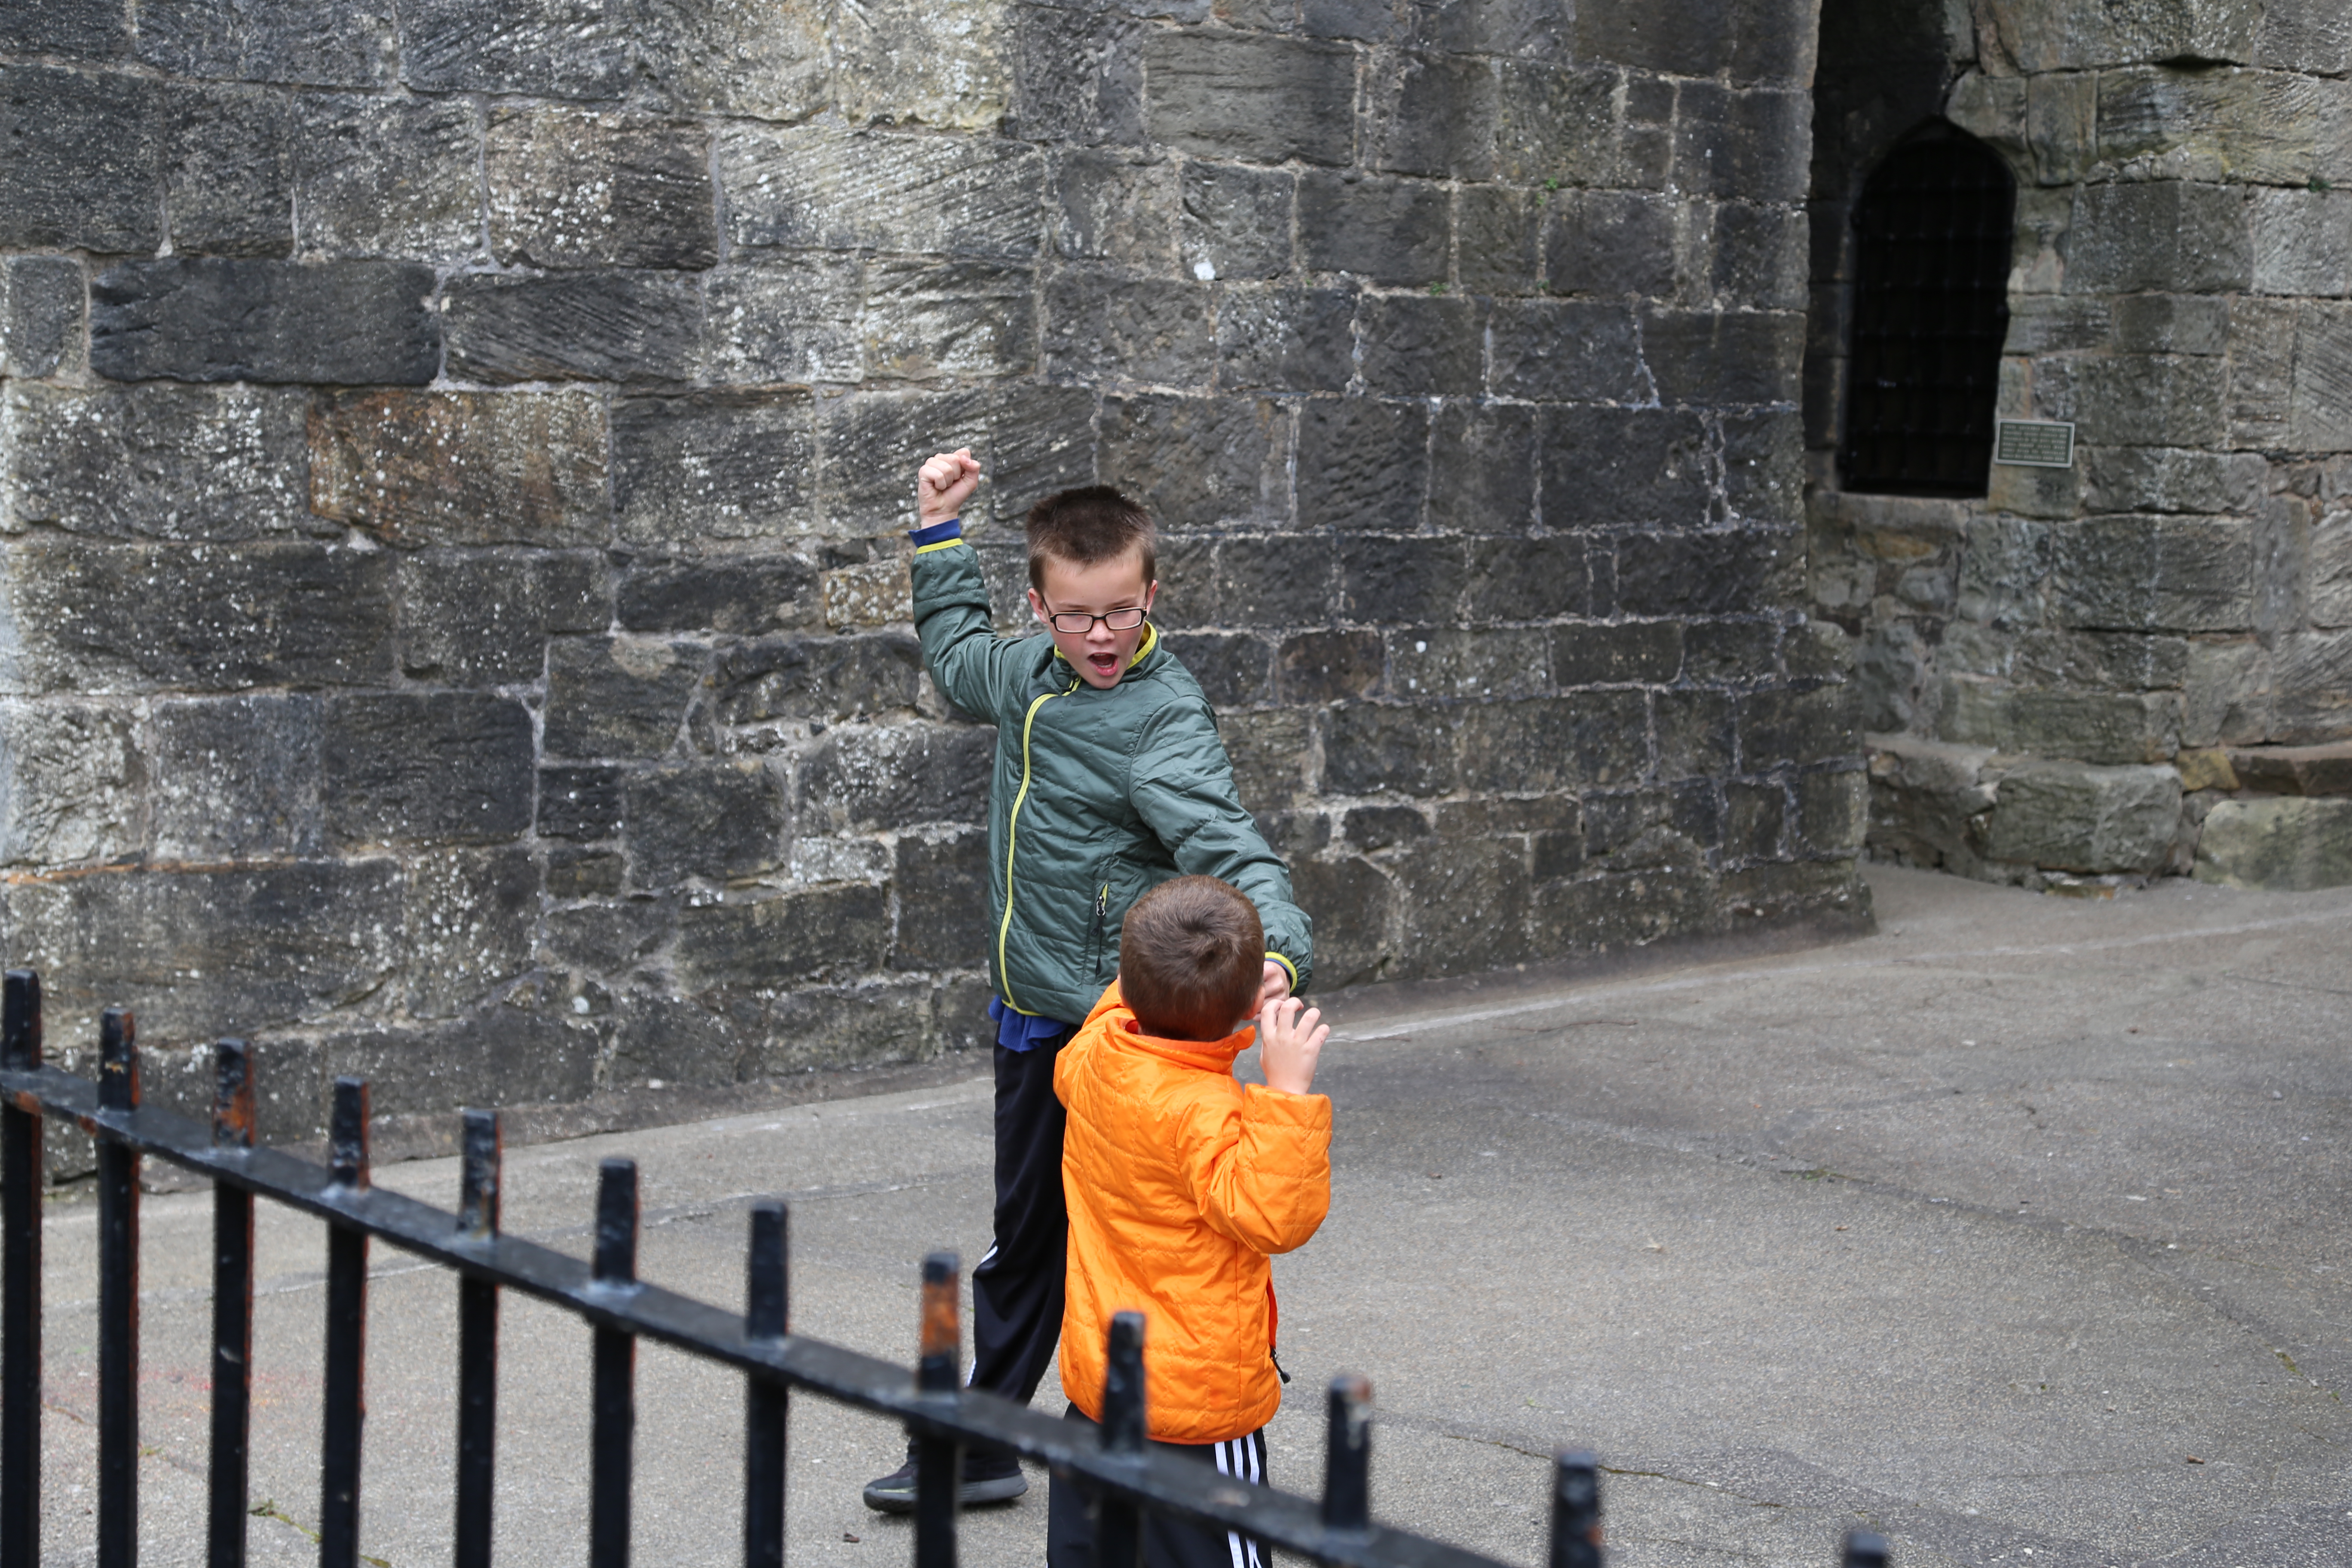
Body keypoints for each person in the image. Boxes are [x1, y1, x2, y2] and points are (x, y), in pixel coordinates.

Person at [861, 452, 1315, 1512]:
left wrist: (1276, 952)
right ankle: (990, 1445)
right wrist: (936, 534)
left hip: (1112, 1034)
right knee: (1031, 1236)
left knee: (1127, 1242)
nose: (1102, 635)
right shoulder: (1027, 674)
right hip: (1032, 1014)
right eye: (1078, 615)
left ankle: (1126, 1436)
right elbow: (959, 658)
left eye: (1120, 611)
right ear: (1044, 608)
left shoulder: (1161, 720)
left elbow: (1234, 848)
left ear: (1150, 596)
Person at [1049, 875, 1332, 1568]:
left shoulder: (1094, 1060)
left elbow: (1116, 1006)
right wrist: (1286, 1092)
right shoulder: (1211, 1115)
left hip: (1101, 1387)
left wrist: (1188, 984)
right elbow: (1274, 1217)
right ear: (1244, 1012)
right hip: (1194, 1407)